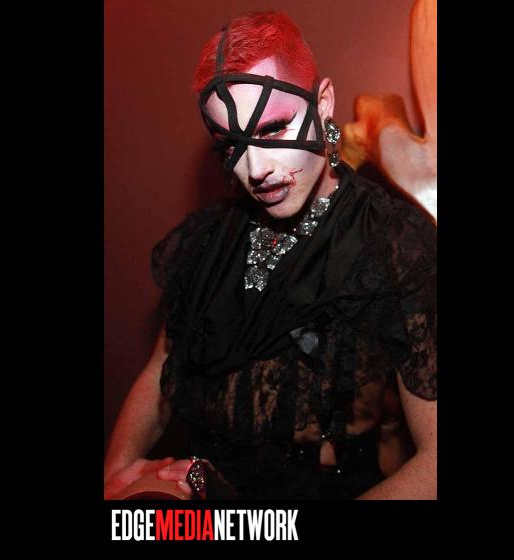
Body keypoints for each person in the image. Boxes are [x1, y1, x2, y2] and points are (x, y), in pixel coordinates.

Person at [104, 10, 437, 500]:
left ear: (323, 103)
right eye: (231, 146)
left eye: (275, 128)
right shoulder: (206, 243)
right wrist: (117, 473)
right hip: (208, 494)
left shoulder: (393, 243)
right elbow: (162, 370)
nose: (255, 168)